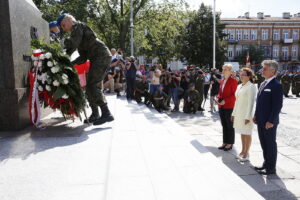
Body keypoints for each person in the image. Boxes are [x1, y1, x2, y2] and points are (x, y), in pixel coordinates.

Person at [57, 14, 114, 125]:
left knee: (93, 85)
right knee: (90, 86)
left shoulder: (77, 27)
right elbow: (83, 57)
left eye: (64, 25)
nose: (64, 28)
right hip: (96, 58)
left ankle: (106, 113)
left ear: (69, 20)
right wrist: (69, 63)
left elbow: (73, 43)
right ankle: (95, 113)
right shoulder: (77, 32)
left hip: (101, 56)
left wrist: (63, 47)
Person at [253, 60, 283, 175]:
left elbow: (277, 106)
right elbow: (259, 102)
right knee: (263, 143)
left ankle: (271, 168)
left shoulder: (276, 85)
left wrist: (271, 121)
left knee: (270, 144)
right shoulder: (263, 83)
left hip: (269, 122)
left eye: (264, 68)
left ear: (273, 71)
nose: (262, 70)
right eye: (262, 68)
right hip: (260, 120)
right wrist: (256, 115)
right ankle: (266, 163)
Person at [231, 68, 257, 161]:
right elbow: (236, 101)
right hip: (239, 113)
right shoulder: (239, 86)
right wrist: (233, 113)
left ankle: (247, 153)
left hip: (246, 114)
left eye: (244, 75)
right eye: (241, 74)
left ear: (249, 76)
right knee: (242, 133)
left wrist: (248, 117)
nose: (241, 76)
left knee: (247, 133)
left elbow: (251, 103)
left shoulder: (251, 86)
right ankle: (242, 150)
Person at [216, 64, 238, 151]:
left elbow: (235, 95)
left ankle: (230, 143)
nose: (223, 71)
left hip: (229, 106)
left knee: (229, 125)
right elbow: (220, 93)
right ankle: (225, 142)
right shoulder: (222, 80)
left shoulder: (233, 81)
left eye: (225, 69)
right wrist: (217, 98)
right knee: (224, 125)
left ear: (230, 71)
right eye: (223, 69)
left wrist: (226, 100)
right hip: (221, 106)